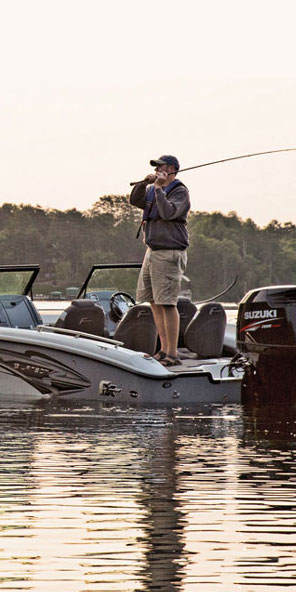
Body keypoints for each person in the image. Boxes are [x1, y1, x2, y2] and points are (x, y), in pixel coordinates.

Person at [130, 155, 190, 366]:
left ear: (171, 169)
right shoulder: (153, 188)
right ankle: (162, 350)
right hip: (153, 251)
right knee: (154, 301)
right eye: (155, 167)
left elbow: (167, 212)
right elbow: (135, 200)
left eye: (160, 167)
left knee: (167, 302)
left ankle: (172, 354)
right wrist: (144, 183)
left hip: (169, 252)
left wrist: (157, 189)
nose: (157, 170)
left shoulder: (180, 191)